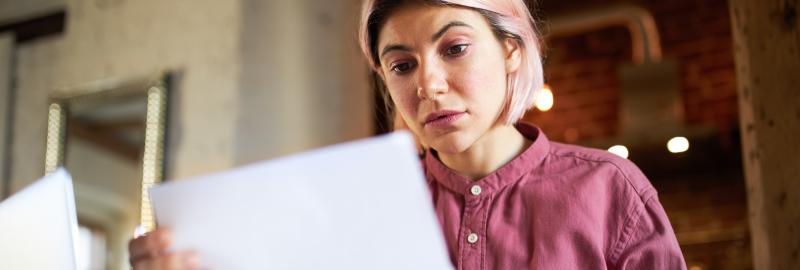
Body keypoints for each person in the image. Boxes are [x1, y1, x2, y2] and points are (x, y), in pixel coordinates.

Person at [129, 0, 687, 269]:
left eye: (455, 48)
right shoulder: (359, 206)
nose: (430, 84)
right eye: (401, 65)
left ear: (512, 50)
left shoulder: (610, 192)